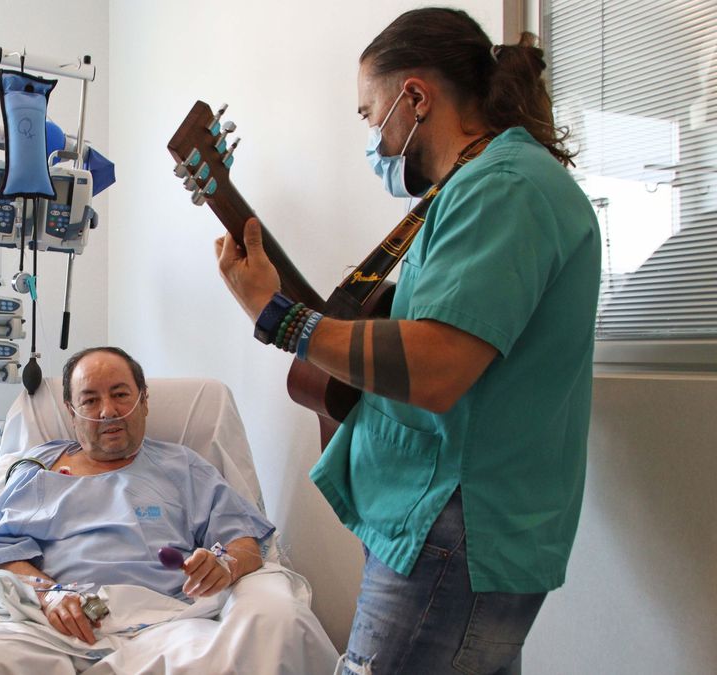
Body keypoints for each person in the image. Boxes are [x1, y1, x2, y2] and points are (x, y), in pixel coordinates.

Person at [214, 8, 601, 675]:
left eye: (370, 114)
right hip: (445, 527)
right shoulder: (476, 190)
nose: (372, 139)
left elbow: (434, 368)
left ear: (414, 97)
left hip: (453, 529)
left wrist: (275, 315)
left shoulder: (502, 189)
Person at [0, 346, 337, 674]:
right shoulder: (38, 469)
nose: (109, 412)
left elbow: (245, 541)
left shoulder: (182, 467)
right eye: (90, 400)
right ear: (71, 411)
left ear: (144, 400)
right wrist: (50, 594)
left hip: (166, 620)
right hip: (57, 623)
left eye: (121, 394)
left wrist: (223, 563)